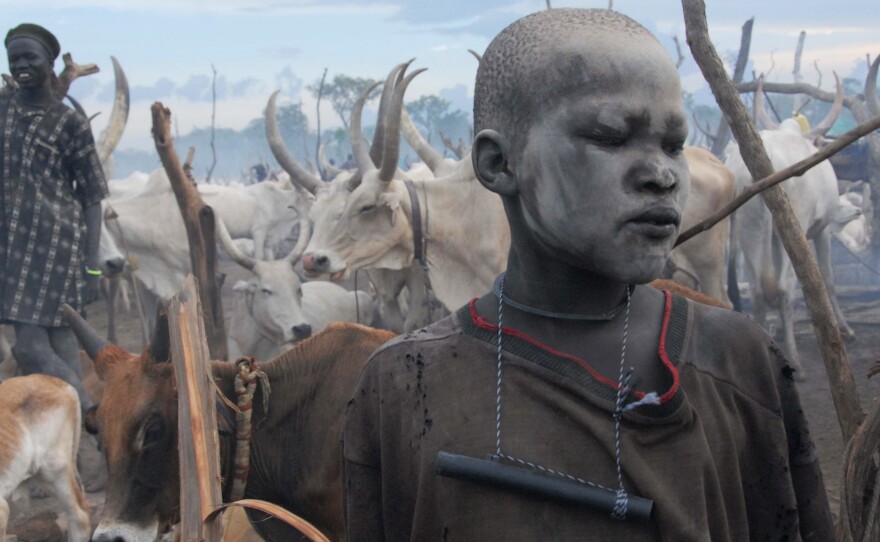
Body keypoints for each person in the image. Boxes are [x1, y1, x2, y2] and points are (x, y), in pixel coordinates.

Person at [342, 8, 833, 541]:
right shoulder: (401, 385)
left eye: (673, 144)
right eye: (610, 137)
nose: (663, 174)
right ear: (498, 164)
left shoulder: (741, 360)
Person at [1, 23, 108, 489]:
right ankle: (87, 465)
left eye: (31, 59)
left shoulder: (69, 122)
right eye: (15, 59)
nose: (23, 67)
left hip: (56, 246)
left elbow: (91, 198)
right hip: (12, 247)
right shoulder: (2, 108)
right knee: (62, 351)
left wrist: (91, 265)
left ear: (50, 65)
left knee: (28, 348)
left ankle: (94, 418)